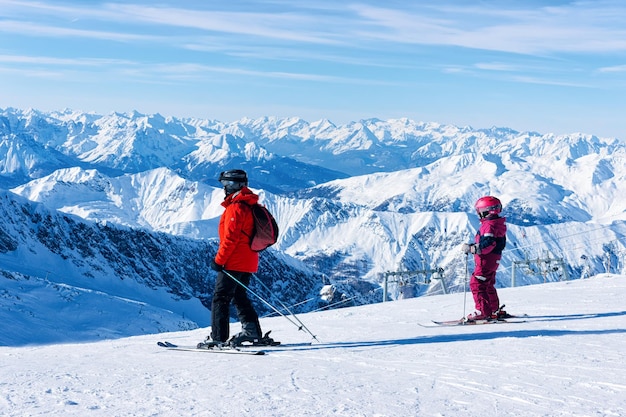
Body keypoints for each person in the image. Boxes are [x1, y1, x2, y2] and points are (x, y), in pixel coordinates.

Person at [207, 169, 274, 347]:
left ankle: (218, 337)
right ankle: (252, 332)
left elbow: (230, 239)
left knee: (220, 297)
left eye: (226, 184)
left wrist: (219, 261)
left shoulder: (236, 207)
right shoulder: (249, 204)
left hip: (234, 261)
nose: (225, 188)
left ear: (234, 185)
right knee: (239, 296)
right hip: (249, 260)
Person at [462, 196, 508, 321]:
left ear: (486, 211)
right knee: (487, 284)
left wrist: (473, 249)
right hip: (493, 260)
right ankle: (493, 309)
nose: (479, 215)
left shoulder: (489, 225)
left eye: (480, 211)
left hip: (486, 260)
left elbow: (488, 243)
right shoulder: (497, 223)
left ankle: (482, 311)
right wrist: (474, 246)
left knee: (477, 284)